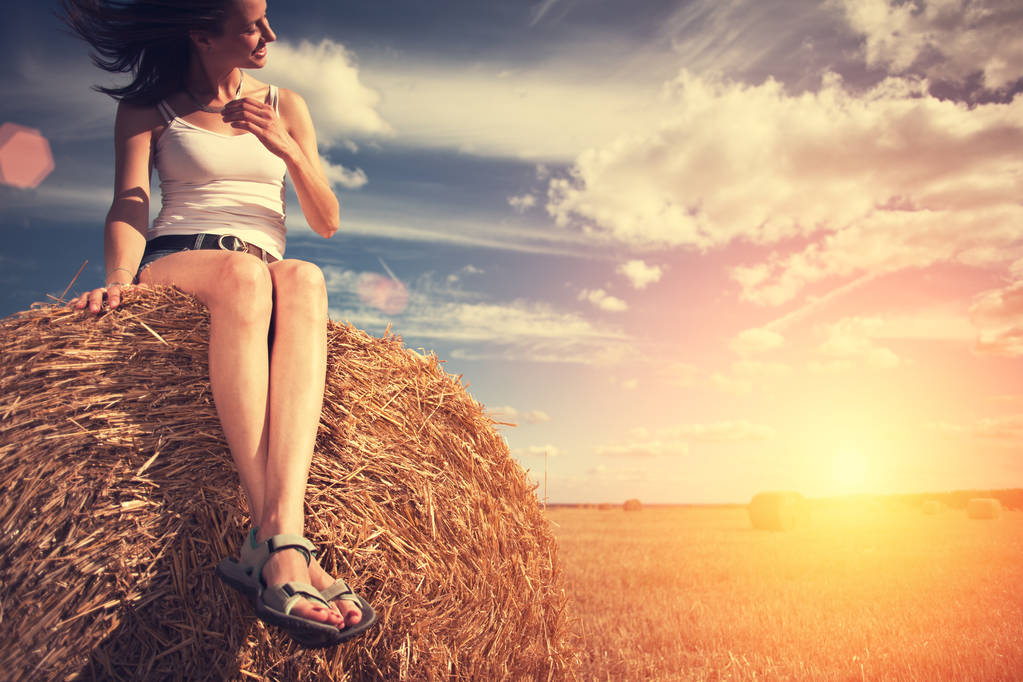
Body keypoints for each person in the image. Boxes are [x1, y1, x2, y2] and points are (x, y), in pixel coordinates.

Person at [60, 0, 376, 648]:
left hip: (269, 265)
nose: (270, 34)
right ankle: (282, 546)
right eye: (253, 23)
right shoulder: (151, 106)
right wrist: (119, 280)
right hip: (184, 260)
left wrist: (281, 142)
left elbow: (326, 219)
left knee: (306, 277)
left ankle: (275, 530)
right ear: (202, 34)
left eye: (267, 18)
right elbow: (131, 198)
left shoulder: (286, 104)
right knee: (240, 275)